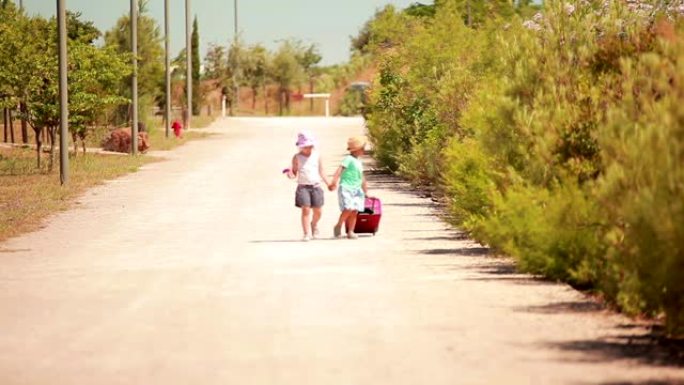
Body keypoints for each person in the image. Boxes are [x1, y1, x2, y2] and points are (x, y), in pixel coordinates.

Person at [290, 132, 332, 242]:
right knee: (305, 209)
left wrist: (329, 183)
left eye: (310, 146)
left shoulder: (317, 155)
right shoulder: (297, 157)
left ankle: (314, 224)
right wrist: (290, 174)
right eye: (305, 147)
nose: (308, 149)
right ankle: (306, 233)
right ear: (300, 146)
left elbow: (322, 171)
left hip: (316, 187)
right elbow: (294, 172)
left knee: (318, 210)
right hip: (303, 187)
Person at [329, 136, 368, 239]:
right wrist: (334, 181)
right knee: (348, 208)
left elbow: (362, 177)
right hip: (346, 187)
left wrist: (365, 190)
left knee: (355, 210)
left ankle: (350, 231)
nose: (364, 150)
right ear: (356, 149)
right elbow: (340, 169)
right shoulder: (348, 159)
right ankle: (339, 224)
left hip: (357, 189)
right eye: (362, 148)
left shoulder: (359, 162)